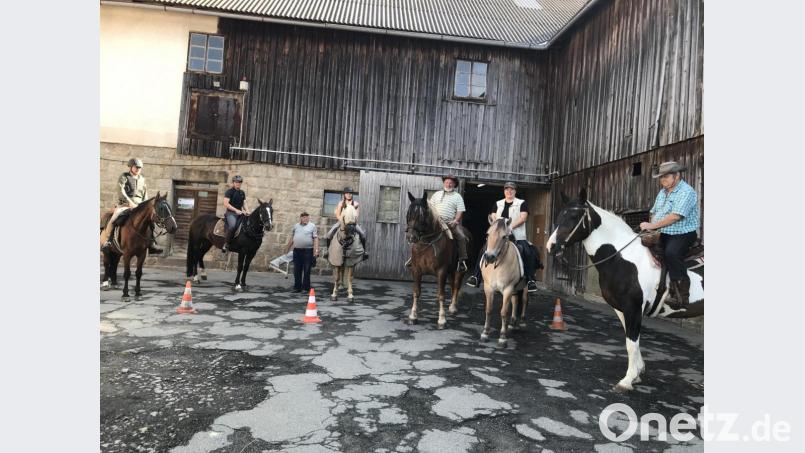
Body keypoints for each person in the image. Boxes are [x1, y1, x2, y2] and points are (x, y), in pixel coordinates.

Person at [640, 161, 701, 309]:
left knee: (671, 253)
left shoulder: (687, 192)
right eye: (661, 178)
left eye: (666, 177)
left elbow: (675, 216)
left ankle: (681, 296)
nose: (663, 180)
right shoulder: (662, 192)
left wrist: (652, 226)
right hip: (663, 232)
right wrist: (650, 229)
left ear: (677, 175)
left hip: (683, 233)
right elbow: (654, 212)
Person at [466, 181, 541, 292]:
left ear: (515, 191)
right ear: (504, 191)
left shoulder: (522, 203)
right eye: (507, 189)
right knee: (484, 249)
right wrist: (498, 229)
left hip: (517, 235)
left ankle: (530, 280)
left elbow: (523, 218)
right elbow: (494, 217)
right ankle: (476, 276)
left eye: (512, 189)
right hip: (500, 235)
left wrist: (510, 227)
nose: (509, 191)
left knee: (527, 251)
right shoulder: (498, 204)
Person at [100, 158, 162, 254]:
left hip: (139, 206)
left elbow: (145, 195)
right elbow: (121, 191)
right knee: (114, 218)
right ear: (131, 167)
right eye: (136, 167)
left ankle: (151, 243)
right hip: (125, 205)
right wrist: (129, 202)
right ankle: (108, 241)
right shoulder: (124, 176)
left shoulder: (142, 179)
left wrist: (145, 206)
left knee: (150, 219)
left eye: (139, 167)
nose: (138, 169)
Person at [425, 175, 470, 272]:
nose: (448, 184)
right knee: (420, 232)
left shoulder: (457, 197)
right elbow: (429, 207)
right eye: (446, 182)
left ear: (454, 184)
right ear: (443, 183)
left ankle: (461, 261)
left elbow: (460, 211)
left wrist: (456, 221)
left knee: (461, 237)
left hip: (450, 223)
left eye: (450, 183)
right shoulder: (436, 194)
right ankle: (413, 259)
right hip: (435, 222)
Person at [324, 187, 369, 260]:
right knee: (329, 234)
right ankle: (327, 251)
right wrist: (342, 221)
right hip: (342, 221)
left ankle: (364, 252)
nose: (349, 195)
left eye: (350, 193)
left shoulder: (356, 204)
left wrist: (353, 222)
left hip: (352, 223)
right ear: (344, 194)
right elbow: (338, 214)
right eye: (347, 193)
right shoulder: (341, 203)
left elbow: (356, 216)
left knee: (362, 234)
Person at [285, 212, 320, 293]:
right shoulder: (296, 226)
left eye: (307, 217)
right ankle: (297, 287)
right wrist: (287, 248)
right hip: (297, 251)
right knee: (297, 270)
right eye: (304, 217)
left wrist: (316, 250)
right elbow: (292, 238)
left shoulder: (312, 226)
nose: (306, 219)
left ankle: (306, 288)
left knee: (307, 270)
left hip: (308, 251)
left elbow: (315, 238)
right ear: (300, 218)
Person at [222, 175, 250, 253]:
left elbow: (244, 203)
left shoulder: (242, 192)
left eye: (239, 182)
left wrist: (247, 210)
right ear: (233, 182)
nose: (238, 183)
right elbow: (226, 203)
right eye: (236, 182)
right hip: (230, 213)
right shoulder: (229, 192)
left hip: (240, 213)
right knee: (232, 226)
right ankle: (226, 244)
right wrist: (236, 210)